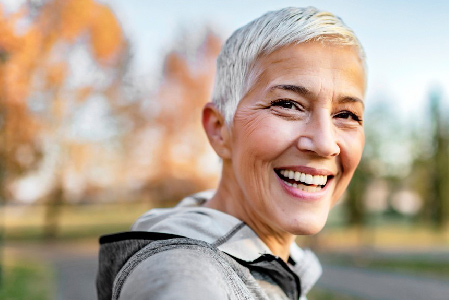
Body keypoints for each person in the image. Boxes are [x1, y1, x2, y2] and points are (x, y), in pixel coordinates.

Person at [96, 6, 366, 300]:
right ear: (219, 129)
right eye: (288, 104)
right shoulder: (185, 276)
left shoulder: (271, 265)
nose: (326, 143)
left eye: (347, 115)